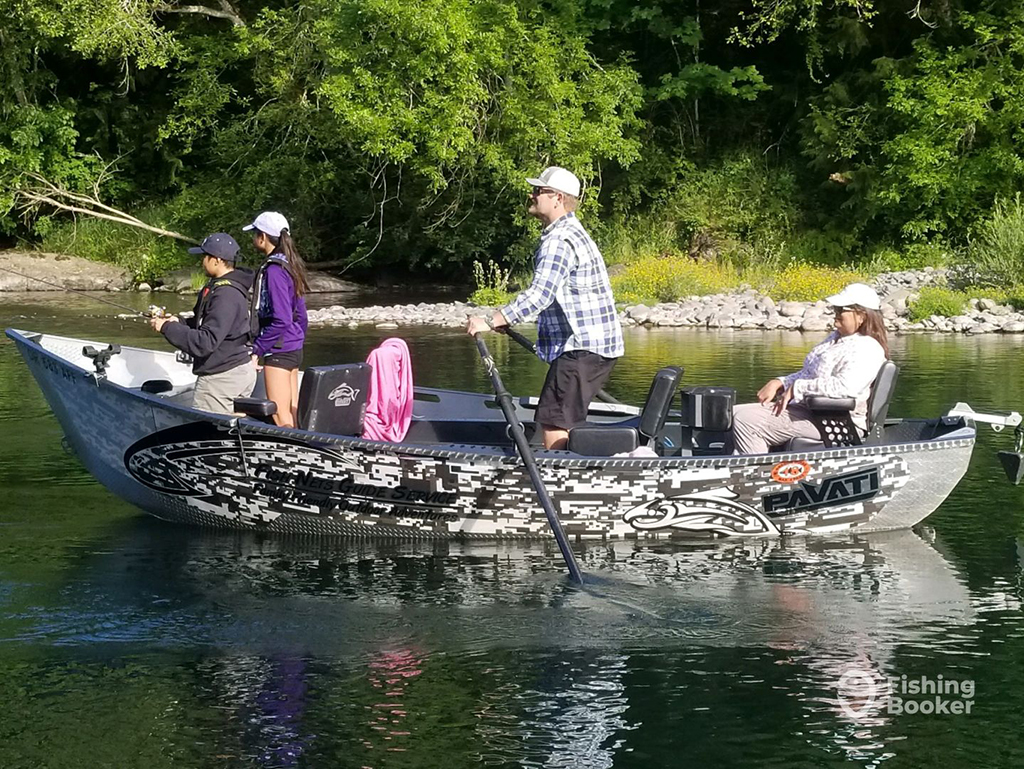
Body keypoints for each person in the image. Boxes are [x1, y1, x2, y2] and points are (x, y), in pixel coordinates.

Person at [466, 166, 624, 450]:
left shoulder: (559, 240)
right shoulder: (571, 232)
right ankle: (576, 469)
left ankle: (561, 483)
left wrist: (491, 320)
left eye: (539, 191)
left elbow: (540, 295)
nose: (533, 195)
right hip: (594, 348)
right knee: (564, 416)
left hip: (581, 348)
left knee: (554, 421)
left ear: (558, 199)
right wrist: (506, 320)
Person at [732, 282, 889, 454]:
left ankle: (758, 476)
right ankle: (720, 469)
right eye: (835, 309)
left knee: (747, 421)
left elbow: (845, 389)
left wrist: (798, 388)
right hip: (810, 411)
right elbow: (809, 374)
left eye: (841, 309)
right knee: (731, 413)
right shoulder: (835, 339)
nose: (835, 314)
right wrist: (781, 382)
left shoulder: (868, 349)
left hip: (834, 422)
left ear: (862, 316)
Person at [150, 233, 256, 414]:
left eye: (204, 257)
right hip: (235, 370)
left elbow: (205, 343)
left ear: (217, 260)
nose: (202, 262)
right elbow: (205, 322)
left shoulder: (225, 294)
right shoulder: (221, 287)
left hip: (221, 379)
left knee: (209, 433)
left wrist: (167, 328)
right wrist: (179, 321)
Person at [244, 211, 309, 428]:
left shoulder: (274, 270)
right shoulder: (290, 264)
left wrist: (257, 349)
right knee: (293, 411)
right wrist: (297, 339)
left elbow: (281, 319)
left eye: (255, 234)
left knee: (281, 418)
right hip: (293, 348)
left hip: (279, 350)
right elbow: (301, 315)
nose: (253, 239)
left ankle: (294, 458)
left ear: (263, 237)